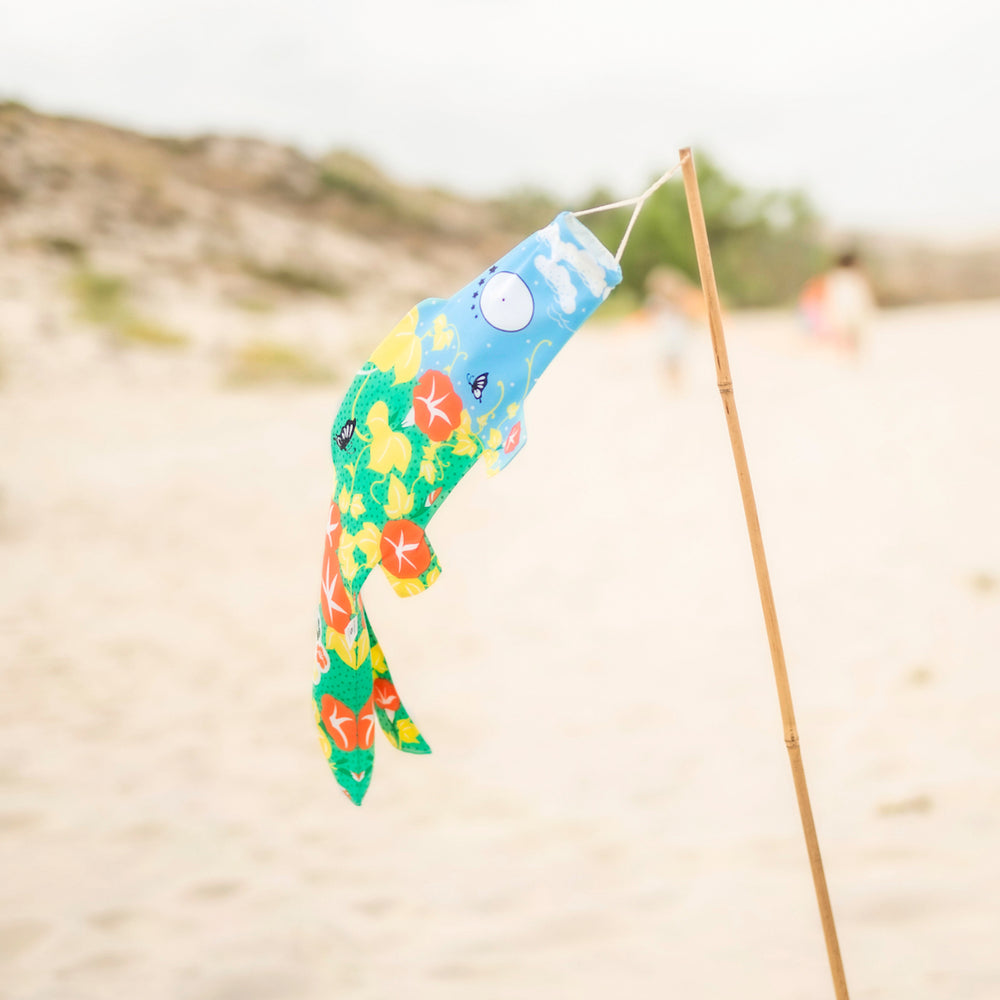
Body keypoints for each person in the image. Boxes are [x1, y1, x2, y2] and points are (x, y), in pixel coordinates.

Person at [799, 251, 876, 356]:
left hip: (839, 313)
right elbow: (862, 298)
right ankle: (852, 357)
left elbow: (830, 296)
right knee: (853, 339)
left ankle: (845, 356)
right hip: (853, 313)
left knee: (843, 339)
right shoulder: (856, 277)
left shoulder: (834, 277)